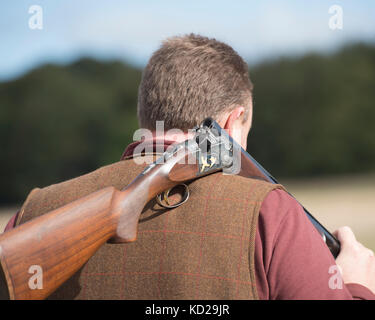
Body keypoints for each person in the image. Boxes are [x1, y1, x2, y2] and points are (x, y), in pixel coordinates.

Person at [3, 34, 375, 300]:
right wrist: (357, 286)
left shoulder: (34, 213)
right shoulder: (271, 212)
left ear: (146, 113)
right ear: (233, 122)